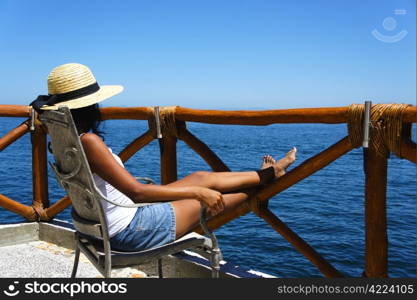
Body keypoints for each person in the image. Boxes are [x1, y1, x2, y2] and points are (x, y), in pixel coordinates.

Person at [31, 63, 297, 252]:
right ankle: (269, 181)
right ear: (90, 105)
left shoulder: (64, 142)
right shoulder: (89, 142)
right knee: (235, 194)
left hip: (98, 226)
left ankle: (267, 174)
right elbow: (138, 193)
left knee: (201, 176)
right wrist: (198, 194)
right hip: (130, 231)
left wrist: (197, 187)